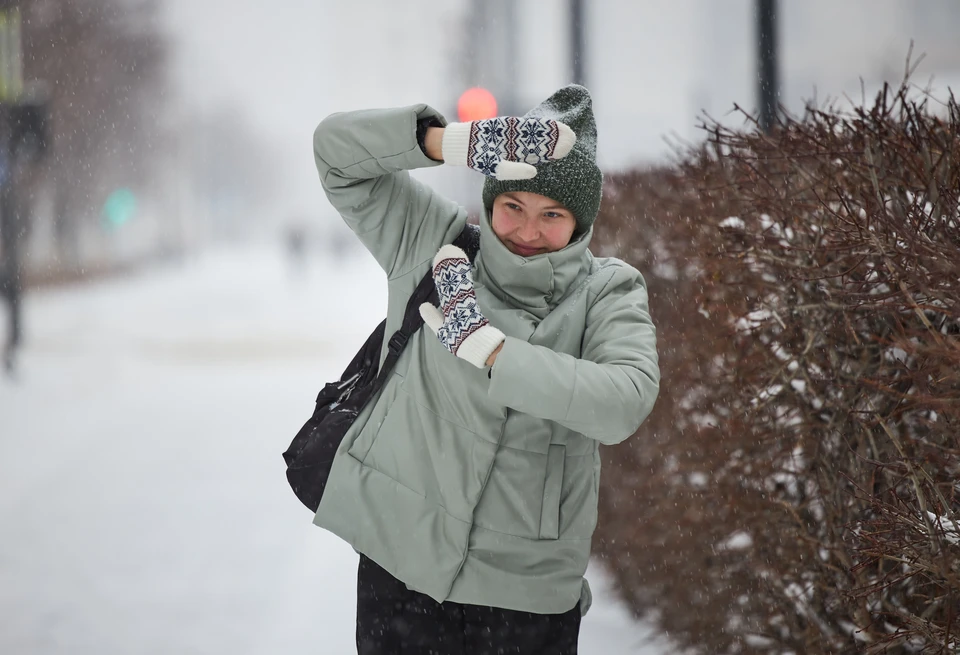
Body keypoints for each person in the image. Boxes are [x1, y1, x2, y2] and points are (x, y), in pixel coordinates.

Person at [311, 84, 660, 654]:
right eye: (513, 206)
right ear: (491, 199)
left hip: (525, 596)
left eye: (552, 214)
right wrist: (446, 142)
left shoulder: (608, 291)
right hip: (402, 573)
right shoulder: (431, 242)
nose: (527, 230)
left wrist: (493, 351)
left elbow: (624, 400)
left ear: (580, 221)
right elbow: (334, 154)